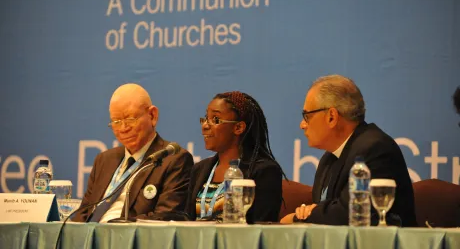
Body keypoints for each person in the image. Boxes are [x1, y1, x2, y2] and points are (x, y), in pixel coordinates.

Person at [280, 75, 417, 227]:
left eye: (307, 116)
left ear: (332, 117)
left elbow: (351, 213)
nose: (302, 125)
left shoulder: (375, 149)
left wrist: (299, 218)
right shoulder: (329, 158)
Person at [73, 83, 194, 222]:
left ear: (152, 116)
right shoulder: (104, 160)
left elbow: (164, 216)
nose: (123, 128)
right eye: (116, 121)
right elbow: (83, 214)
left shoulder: (173, 159)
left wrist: (115, 226)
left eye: (130, 119)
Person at [185, 91, 286, 223]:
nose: (205, 125)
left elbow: (261, 227)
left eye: (215, 119)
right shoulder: (200, 169)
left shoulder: (264, 171)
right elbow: (187, 219)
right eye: (205, 118)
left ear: (238, 127)